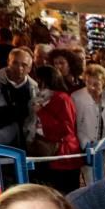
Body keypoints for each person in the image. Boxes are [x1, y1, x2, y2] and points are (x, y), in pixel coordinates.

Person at [32, 66, 83, 195]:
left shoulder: (62, 98)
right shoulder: (42, 97)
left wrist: (42, 113)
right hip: (49, 153)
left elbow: (67, 128)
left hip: (63, 154)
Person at [72, 64, 105, 149]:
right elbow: (74, 126)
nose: (91, 87)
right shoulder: (76, 98)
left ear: (103, 83)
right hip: (85, 148)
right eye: (88, 83)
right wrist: (87, 145)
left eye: (96, 84)